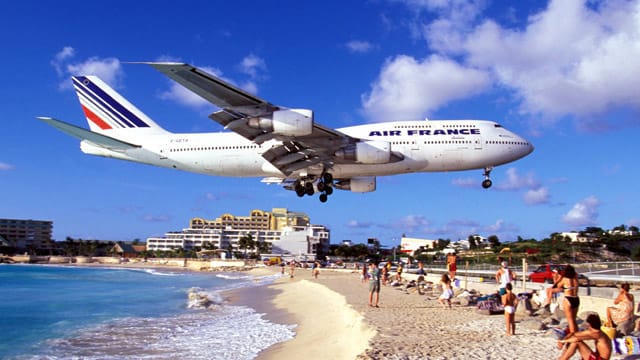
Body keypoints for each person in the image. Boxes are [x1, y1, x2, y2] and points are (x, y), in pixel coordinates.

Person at [559, 264, 580, 335]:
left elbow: (558, 286)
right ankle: (577, 334)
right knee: (574, 320)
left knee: (570, 321)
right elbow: (576, 274)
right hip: (576, 298)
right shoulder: (576, 278)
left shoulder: (565, 279)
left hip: (568, 298)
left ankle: (573, 336)